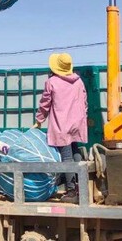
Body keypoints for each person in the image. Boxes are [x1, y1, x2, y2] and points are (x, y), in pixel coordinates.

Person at [34, 52, 88, 203]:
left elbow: (45, 103)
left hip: (62, 123)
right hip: (77, 122)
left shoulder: (52, 82)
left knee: (66, 156)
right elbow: (84, 102)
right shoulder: (78, 81)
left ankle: (71, 191)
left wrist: (39, 119)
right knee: (75, 150)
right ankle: (82, 185)